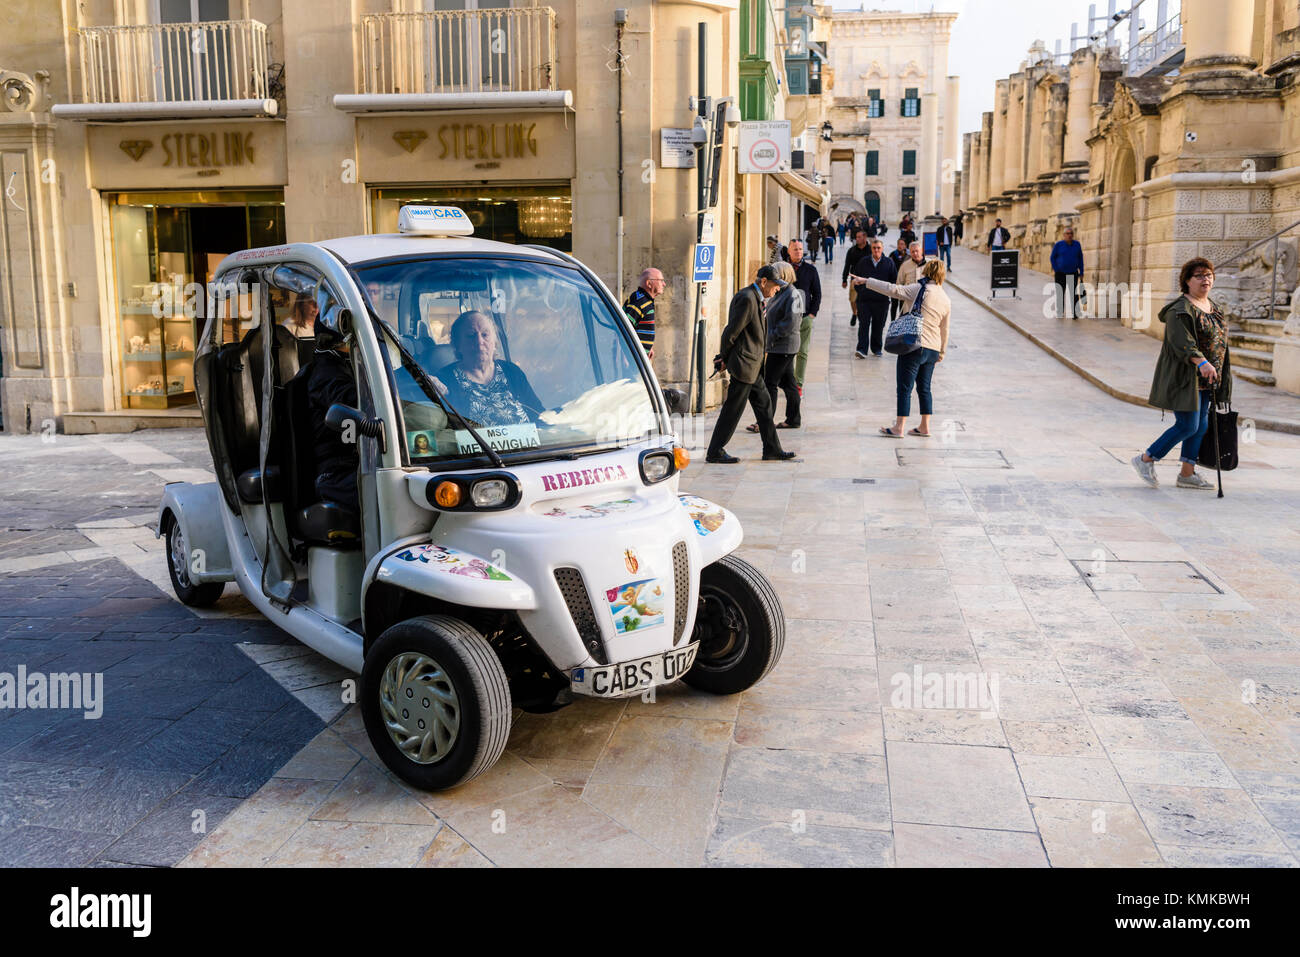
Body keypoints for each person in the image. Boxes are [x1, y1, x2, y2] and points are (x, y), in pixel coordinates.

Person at [1131, 258, 1233, 491]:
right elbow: (1181, 342)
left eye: (1208, 275)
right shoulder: (1180, 309)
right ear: (1186, 281)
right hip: (1186, 376)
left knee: (1201, 425)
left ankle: (1187, 474)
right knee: (1188, 425)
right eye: (1198, 276)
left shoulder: (1213, 307)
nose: (1205, 279)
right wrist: (1202, 362)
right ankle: (1146, 459)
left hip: (1208, 378)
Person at [706, 266, 796, 463]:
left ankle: (772, 449)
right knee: (733, 410)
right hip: (744, 364)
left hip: (752, 365)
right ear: (763, 282)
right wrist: (723, 357)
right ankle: (715, 451)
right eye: (774, 285)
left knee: (764, 406)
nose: (777, 289)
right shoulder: (747, 298)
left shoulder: (757, 298)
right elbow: (731, 331)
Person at [853, 259, 951, 438]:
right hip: (933, 348)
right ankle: (924, 426)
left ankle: (899, 427)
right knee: (925, 388)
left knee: (904, 388)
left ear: (926, 271)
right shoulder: (945, 298)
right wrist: (942, 352)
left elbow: (893, 289)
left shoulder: (919, 289)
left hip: (914, 344)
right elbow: (945, 328)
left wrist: (867, 281)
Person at [434, 310, 544, 426]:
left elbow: (538, 415)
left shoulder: (512, 371)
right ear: (457, 344)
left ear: (495, 342)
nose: (479, 341)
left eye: (485, 335)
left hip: (528, 443)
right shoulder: (444, 380)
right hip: (481, 445)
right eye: (471, 335)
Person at [307, 318, 360, 511]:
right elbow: (353, 400)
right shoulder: (327, 374)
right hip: (336, 473)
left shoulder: (349, 367)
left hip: (357, 464)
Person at [746, 261, 802, 432]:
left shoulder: (793, 294)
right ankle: (793, 419)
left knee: (769, 383)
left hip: (783, 346)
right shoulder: (780, 293)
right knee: (789, 383)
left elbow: (790, 323)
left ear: (783, 275)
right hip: (777, 345)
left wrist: (770, 336)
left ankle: (764, 421)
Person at [850, 238, 896, 358]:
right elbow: (855, 278)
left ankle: (876, 348)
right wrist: (861, 291)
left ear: (882, 249)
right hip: (864, 301)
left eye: (878, 248)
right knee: (863, 325)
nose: (876, 250)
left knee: (878, 326)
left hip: (882, 301)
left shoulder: (889, 263)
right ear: (871, 249)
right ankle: (862, 350)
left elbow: (893, 281)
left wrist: (887, 294)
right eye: (874, 248)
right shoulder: (863, 262)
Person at [787, 239, 822, 393]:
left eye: (800, 249)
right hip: (786, 317)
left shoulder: (810, 270)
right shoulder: (783, 269)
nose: (798, 252)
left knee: (802, 351)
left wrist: (812, 314)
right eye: (795, 249)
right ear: (789, 251)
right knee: (786, 351)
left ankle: (798, 384)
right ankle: (787, 381)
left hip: (805, 316)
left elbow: (817, 293)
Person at [622, 267, 665, 358]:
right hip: (633, 357)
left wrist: (649, 347)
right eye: (661, 281)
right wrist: (624, 356)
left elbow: (641, 326)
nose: (664, 284)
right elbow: (624, 328)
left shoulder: (645, 300)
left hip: (639, 356)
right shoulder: (640, 302)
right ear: (649, 283)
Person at [1050, 228, 1085, 319]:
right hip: (1060, 273)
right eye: (1067, 233)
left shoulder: (1077, 245)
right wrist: (1056, 269)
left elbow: (1080, 258)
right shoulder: (1058, 245)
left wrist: (1081, 271)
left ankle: (1075, 313)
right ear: (1064, 235)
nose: (1069, 235)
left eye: (1071, 233)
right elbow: (1052, 258)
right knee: (1060, 293)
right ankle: (1060, 312)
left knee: (1074, 294)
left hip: (1073, 273)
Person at [841, 228, 872, 327]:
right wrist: (844, 279)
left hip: (868, 279)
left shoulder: (871, 249)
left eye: (859, 237)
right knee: (853, 299)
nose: (857, 239)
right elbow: (847, 265)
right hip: (855, 278)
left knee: (867, 300)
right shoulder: (852, 250)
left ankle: (866, 315)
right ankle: (855, 313)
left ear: (865, 238)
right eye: (856, 237)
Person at [887, 238, 909, 323]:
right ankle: (892, 321)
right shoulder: (892, 255)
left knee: (902, 305)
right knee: (894, 304)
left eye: (902, 244)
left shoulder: (908, 257)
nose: (900, 246)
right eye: (899, 244)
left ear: (905, 246)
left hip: (904, 284)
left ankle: (901, 322)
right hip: (894, 283)